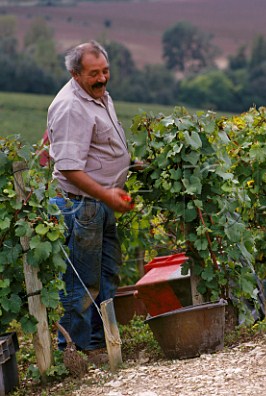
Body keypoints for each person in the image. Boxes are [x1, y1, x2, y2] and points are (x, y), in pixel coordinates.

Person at [47, 40, 134, 362]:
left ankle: (100, 343)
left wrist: (129, 164)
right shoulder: (71, 106)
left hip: (100, 203)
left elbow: (98, 147)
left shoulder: (97, 95)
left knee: (107, 274)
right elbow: (68, 167)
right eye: (94, 73)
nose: (102, 79)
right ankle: (75, 353)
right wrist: (107, 193)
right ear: (75, 73)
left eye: (105, 71)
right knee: (82, 284)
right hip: (82, 204)